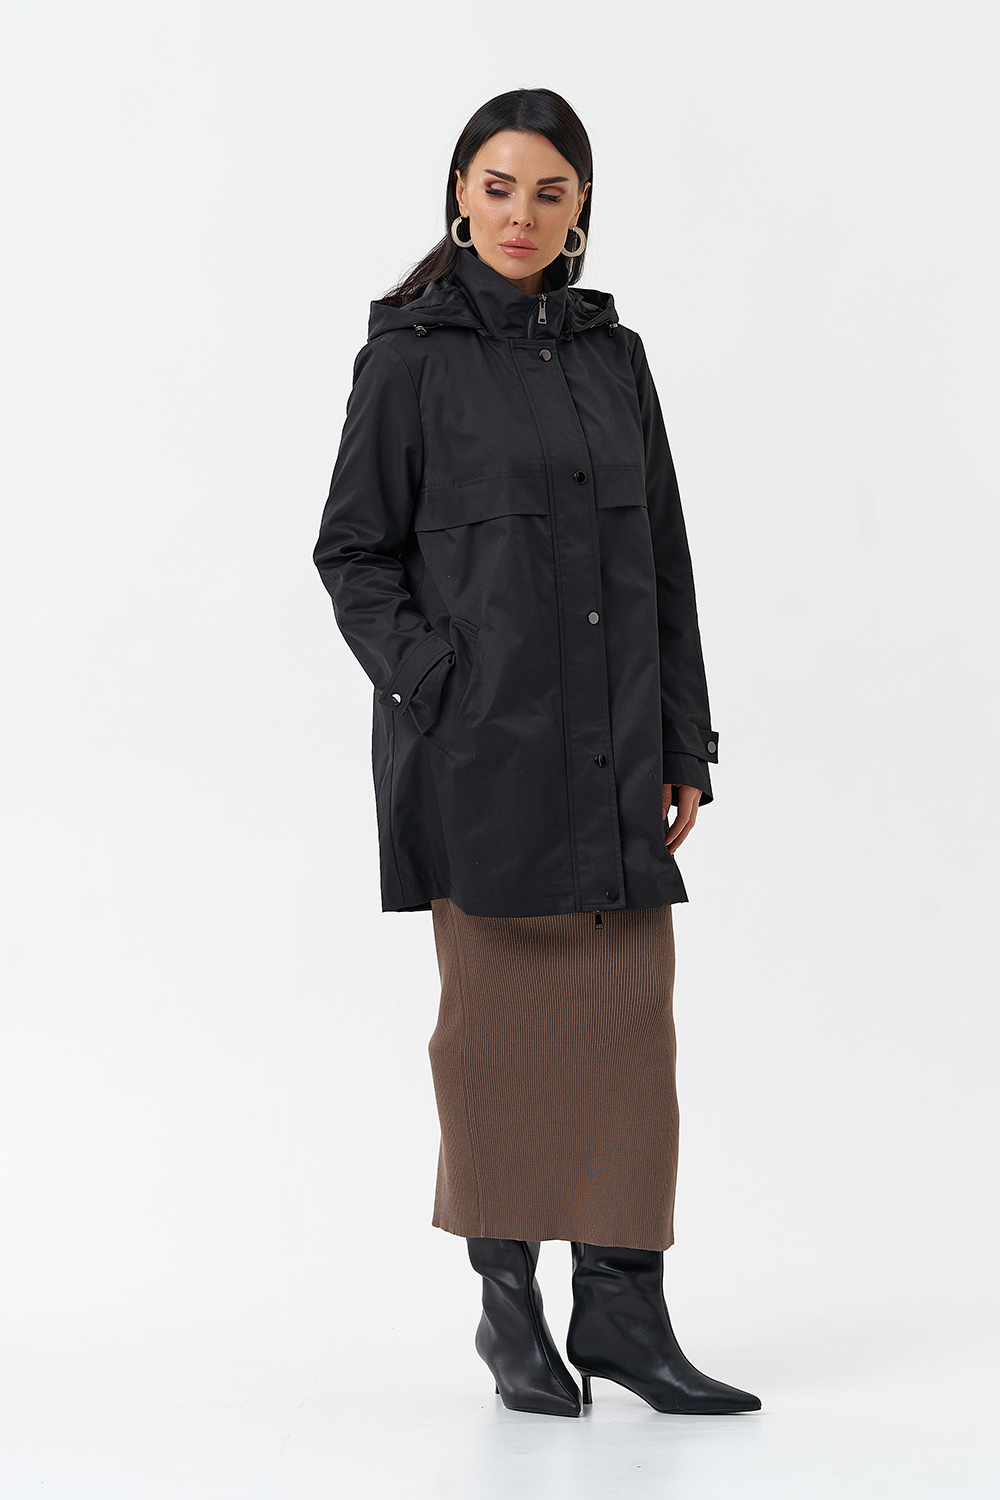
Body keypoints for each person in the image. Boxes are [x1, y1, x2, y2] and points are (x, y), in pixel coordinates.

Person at [313, 87, 760, 1419]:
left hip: (613, 759)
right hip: (483, 762)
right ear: (460, 194)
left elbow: (664, 561)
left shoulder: (616, 358)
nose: (521, 214)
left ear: (581, 211)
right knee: (498, 1044)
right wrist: (439, 684)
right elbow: (353, 553)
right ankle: (509, 1316)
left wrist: (683, 742)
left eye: (549, 192)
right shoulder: (409, 359)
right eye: (499, 187)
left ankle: (623, 1314)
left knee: (627, 1039)